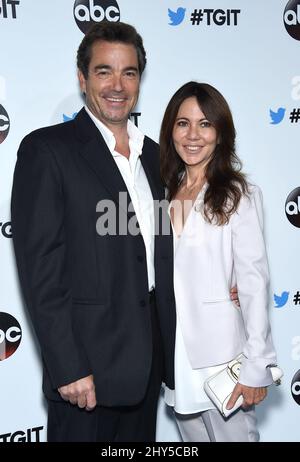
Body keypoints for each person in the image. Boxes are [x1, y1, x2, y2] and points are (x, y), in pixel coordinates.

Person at [11, 21, 176, 442]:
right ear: (83, 79)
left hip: (147, 369)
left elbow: (165, 252)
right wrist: (68, 366)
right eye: (104, 71)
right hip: (86, 376)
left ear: (140, 78)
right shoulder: (47, 151)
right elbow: (42, 272)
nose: (117, 85)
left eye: (129, 72)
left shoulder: (157, 158)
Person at [160, 81, 278, 442]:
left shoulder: (238, 194)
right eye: (183, 123)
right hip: (174, 353)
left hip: (222, 356)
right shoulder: (163, 192)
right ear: (171, 130)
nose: (193, 135)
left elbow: (254, 282)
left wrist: (257, 365)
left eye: (205, 124)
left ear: (220, 133)